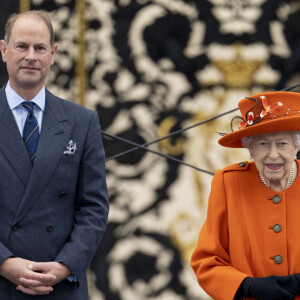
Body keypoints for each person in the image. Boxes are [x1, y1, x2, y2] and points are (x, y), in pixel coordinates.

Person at [0, 10, 109, 299]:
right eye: (21, 46)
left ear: (53, 53)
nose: (31, 56)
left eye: (40, 48)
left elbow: (94, 208)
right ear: (4, 50)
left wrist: (65, 264)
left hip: (59, 286)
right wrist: (5, 262)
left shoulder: (82, 122)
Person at [190, 91, 300, 300]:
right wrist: (246, 286)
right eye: (263, 143)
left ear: (297, 145)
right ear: (249, 147)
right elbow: (207, 261)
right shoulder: (229, 182)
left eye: (283, 143)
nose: (273, 154)